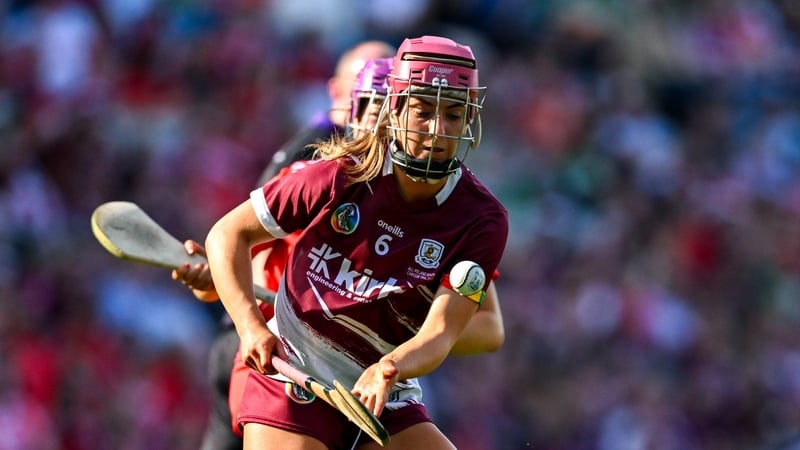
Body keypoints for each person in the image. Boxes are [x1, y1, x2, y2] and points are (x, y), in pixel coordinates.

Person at [203, 35, 509, 449]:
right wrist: (250, 325)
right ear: (395, 108)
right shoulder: (336, 173)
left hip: (382, 387)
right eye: (423, 111)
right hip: (296, 368)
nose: (438, 130)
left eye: (453, 114)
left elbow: (441, 333)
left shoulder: (481, 219)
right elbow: (228, 234)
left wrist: (390, 367)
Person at [174, 40, 397, 450]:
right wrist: (226, 285)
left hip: (314, 356)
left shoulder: (412, 181)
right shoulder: (319, 151)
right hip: (267, 346)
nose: (380, 110)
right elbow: (248, 241)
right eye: (368, 91)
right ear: (339, 94)